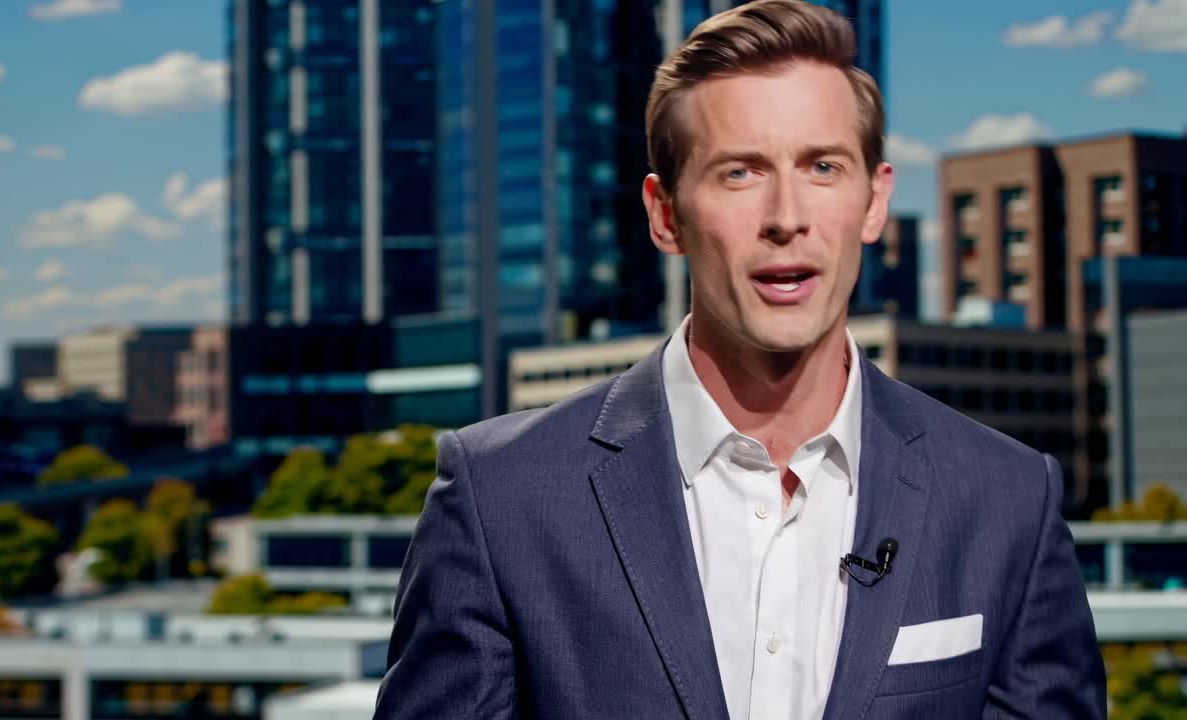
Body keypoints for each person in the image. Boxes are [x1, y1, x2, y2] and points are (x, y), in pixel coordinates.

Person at [374, 1, 1106, 718]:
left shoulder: (1009, 501)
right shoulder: (501, 499)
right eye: (740, 173)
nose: (787, 217)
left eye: (822, 167)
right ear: (667, 215)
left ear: (874, 200)